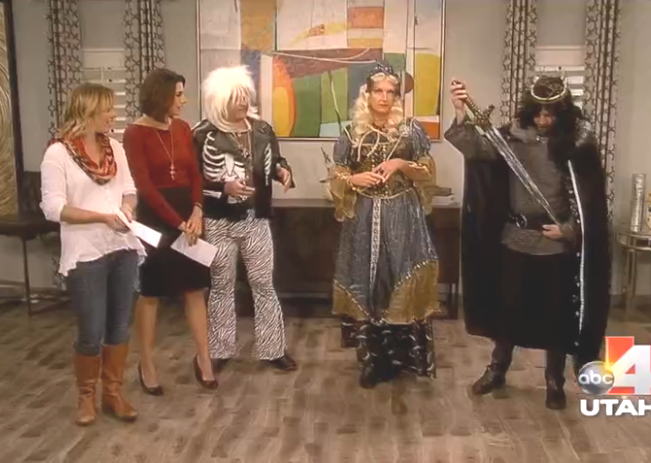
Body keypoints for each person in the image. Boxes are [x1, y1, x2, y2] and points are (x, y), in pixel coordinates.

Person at [444, 76, 611, 409]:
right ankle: (497, 369)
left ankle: (554, 380)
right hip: (515, 238)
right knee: (508, 309)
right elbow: (475, 148)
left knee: (555, 316)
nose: (544, 119)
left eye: (551, 114)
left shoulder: (577, 145)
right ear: (529, 110)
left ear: (562, 113)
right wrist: (461, 112)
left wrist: (569, 230)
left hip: (555, 244)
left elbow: (591, 199)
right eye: (539, 113)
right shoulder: (510, 138)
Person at [327, 62, 441, 389]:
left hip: (402, 215)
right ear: (367, 94)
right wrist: (353, 179)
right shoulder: (351, 134)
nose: (385, 97)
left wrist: (401, 163)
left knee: (399, 279)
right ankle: (371, 359)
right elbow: (337, 174)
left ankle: (403, 357)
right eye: (378, 91)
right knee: (367, 281)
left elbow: (427, 171)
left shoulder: (410, 131)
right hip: (364, 217)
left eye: (391, 92)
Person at [40, 83, 144, 425]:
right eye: (107, 110)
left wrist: (126, 209)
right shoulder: (58, 154)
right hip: (85, 253)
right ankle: (86, 397)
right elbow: (53, 208)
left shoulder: (115, 148)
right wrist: (102, 217)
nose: (113, 115)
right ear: (88, 111)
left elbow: (129, 190)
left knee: (119, 326)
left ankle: (113, 393)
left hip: (123, 248)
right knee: (91, 328)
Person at [192, 65, 297, 372]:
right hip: (218, 221)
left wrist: (282, 171)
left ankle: (273, 348)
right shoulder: (201, 134)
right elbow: (192, 180)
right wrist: (222, 188)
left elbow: (274, 161)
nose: (242, 102)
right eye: (235, 97)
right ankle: (219, 350)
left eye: (244, 96)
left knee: (264, 283)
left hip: (256, 219)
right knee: (221, 285)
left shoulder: (262, 130)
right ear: (219, 99)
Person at [123, 68, 218, 394]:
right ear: (160, 96)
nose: (184, 100)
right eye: (178, 94)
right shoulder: (135, 133)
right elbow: (144, 185)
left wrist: (197, 210)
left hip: (189, 215)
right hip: (155, 219)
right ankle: (147, 363)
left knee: (195, 289)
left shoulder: (183, 128)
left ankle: (204, 359)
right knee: (151, 293)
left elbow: (194, 174)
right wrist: (177, 223)